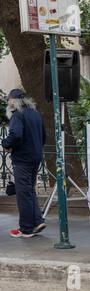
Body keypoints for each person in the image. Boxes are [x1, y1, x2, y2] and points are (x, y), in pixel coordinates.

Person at [1, 89, 47, 238]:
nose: (8, 103)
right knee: (30, 191)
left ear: (13, 101)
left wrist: (5, 144)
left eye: (8, 100)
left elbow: (16, 135)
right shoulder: (35, 114)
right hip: (35, 157)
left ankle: (26, 229)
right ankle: (38, 221)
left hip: (22, 159)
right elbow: (44, 136)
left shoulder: (17, 115)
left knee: (23, 193)